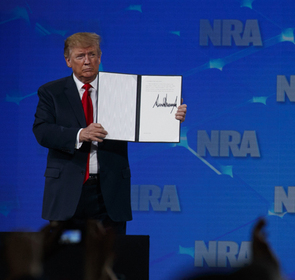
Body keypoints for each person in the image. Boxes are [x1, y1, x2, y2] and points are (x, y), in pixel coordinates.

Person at [33, 32, 187, 234]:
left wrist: (171, 115)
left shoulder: (122, 89)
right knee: (65, 261)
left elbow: (147, 117)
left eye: (92, 54)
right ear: (68, 61)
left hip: (110, 192)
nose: (87, 61)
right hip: (67, 190)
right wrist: (80, 134)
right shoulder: (51, 92)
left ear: (100, 56)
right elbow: (42, 131)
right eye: (80, 56)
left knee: (110, 260)